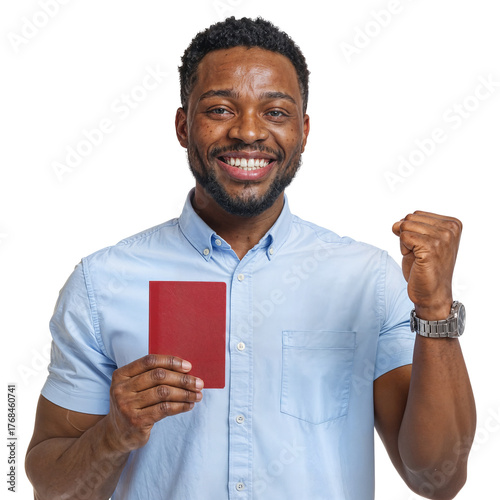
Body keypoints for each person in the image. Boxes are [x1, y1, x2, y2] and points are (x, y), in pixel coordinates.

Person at [25, 16, 475, 500]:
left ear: (302, 131)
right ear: (183, 125)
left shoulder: (368, 279)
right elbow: (53, 489)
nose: (247, 132)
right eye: (220, 109)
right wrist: (112, 436)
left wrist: (435, 311)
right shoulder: (102, 283)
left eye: (275, 112)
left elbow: (437, 479)